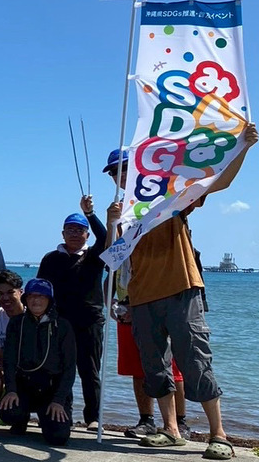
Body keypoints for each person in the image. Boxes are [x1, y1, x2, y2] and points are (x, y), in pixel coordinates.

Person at [105, 124, 256, 459]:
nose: (121, 176)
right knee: (154, 366)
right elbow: (113, 258)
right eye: (116, 173)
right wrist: (111, 221)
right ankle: (170, 429)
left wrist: (243, 147)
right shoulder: (121, 210)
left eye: (127, 169)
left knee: (195, 361)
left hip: (181, 287)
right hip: (141, 295)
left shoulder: (169, 194)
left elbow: (219, 182)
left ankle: (220, 434)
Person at [36, 202, 108, 431]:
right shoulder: (51, 258)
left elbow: (105, 236)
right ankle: (60, 409)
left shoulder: (95, 256)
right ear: (63, 233)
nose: (75, 234)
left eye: (80, 230)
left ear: (87, 234)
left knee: (90, 371)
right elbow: (40, 290)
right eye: (70, 230)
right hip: (60, 322)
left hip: (89, 322)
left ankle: (93, 417)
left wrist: (91, 214)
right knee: (56, 370)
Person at [0, 278, 76, 446]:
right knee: (8, 413)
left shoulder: (62, 326)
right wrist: (11, 390)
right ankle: (22, 418)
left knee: (58, 438)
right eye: (32, 296)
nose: (36, 300)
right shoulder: (17, 323)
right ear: (25, 299)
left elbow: (69, 369)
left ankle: (46, 416)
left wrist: (59, 400)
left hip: (51, 389)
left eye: (41, 296)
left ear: (49, 300)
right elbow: (9, 360)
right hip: (25, 386)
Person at [0, 270, 25, 374]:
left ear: (21, 292)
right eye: (0, 294)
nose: (6, 298)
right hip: (8, 369)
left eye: (10, 292)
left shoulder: (32, 314)